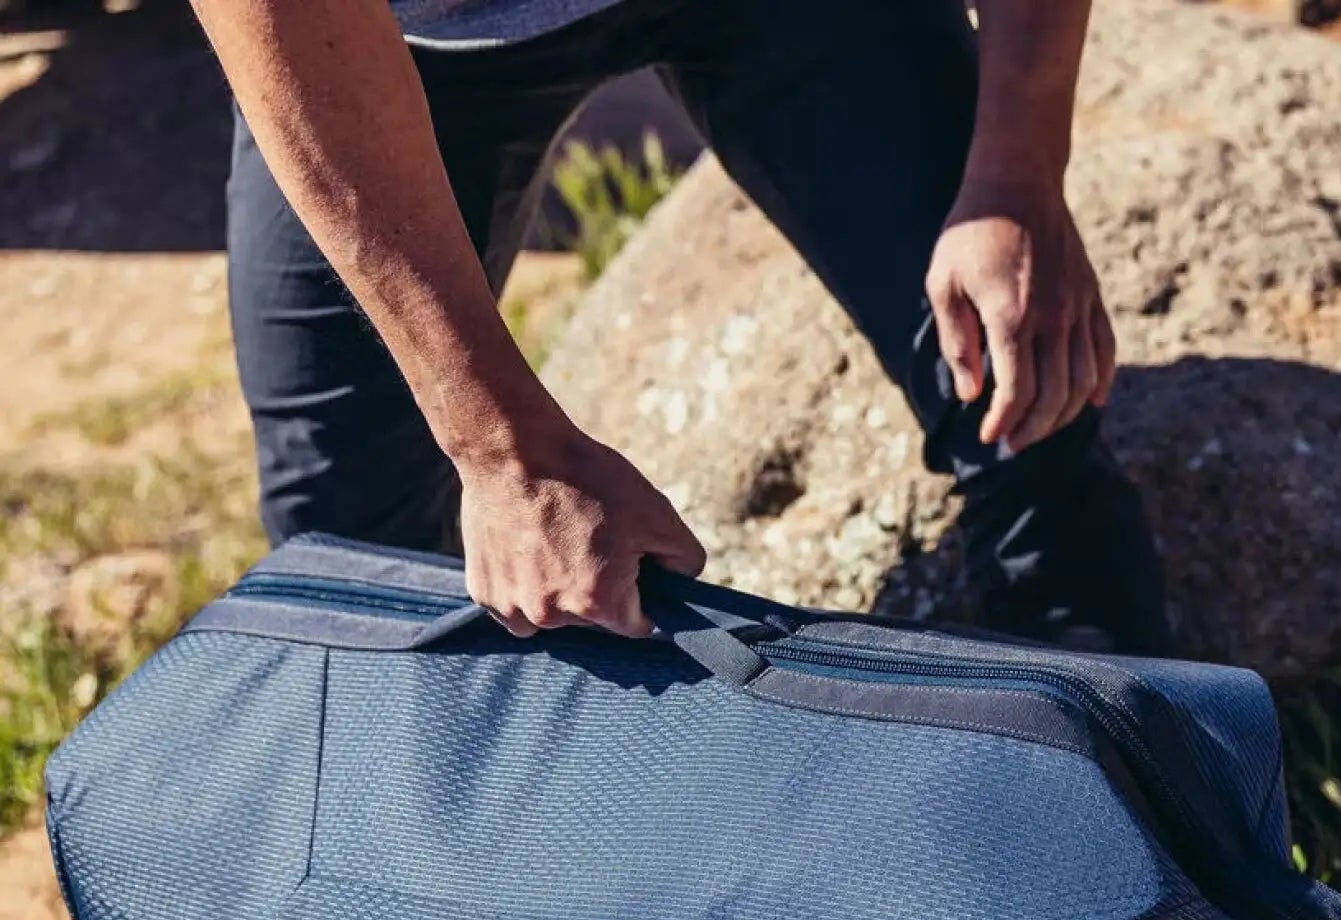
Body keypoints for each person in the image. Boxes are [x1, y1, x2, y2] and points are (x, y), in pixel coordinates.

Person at [190, 0, 1173, 653]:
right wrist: (499, 447)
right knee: (348, 556)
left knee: (1020, 379)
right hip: (390, 31)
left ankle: (1148, 881)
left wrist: (1016, 172)